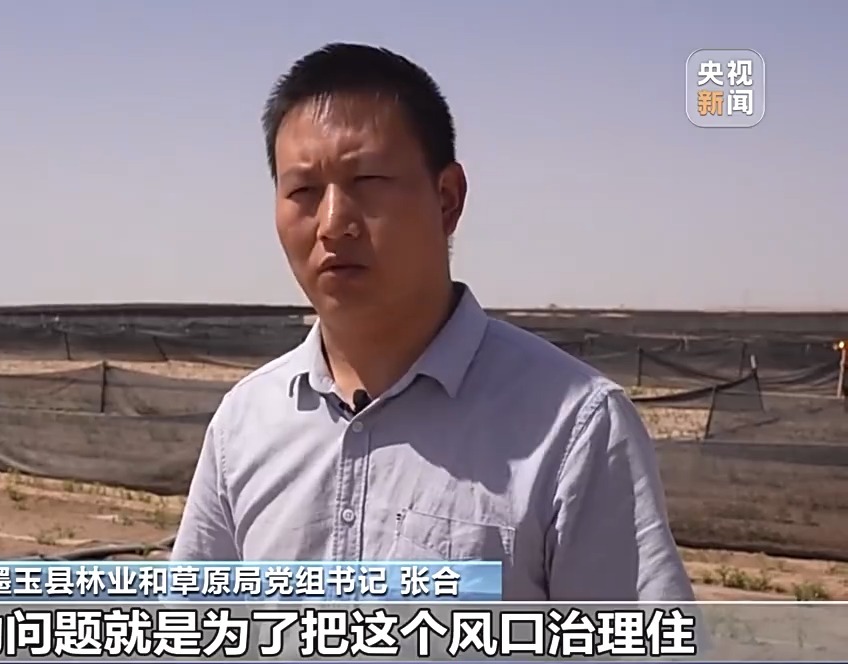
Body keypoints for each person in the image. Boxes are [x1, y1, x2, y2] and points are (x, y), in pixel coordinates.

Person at [170, 43, 695, 601]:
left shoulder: (575, 427)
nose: (333, 223)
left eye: (367, 182)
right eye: (303, 191)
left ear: (447, 199)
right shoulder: (245, 424)